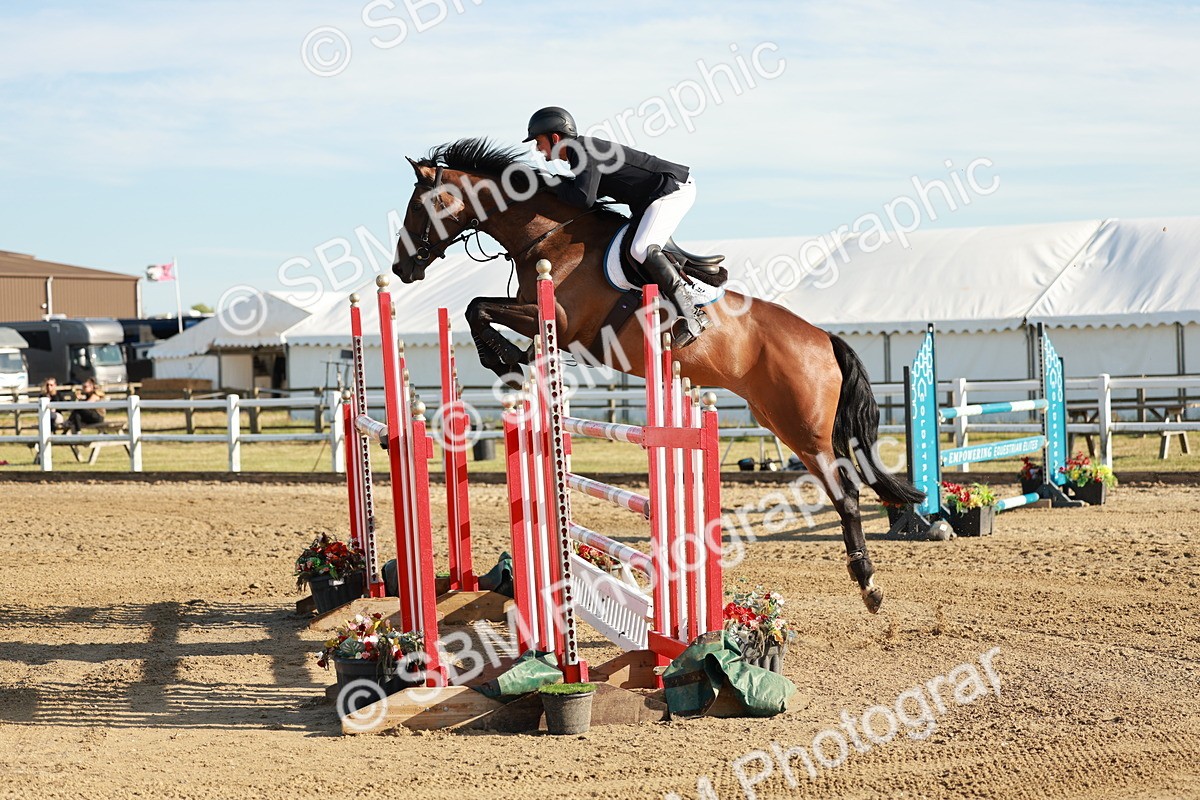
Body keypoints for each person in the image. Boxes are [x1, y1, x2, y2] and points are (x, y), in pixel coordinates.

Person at [524, 106, 704, 347]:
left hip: (672, 190)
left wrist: (545, 181)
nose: (538, 148)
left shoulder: (583, 150)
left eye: (539, 141)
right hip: (652, 198)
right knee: (633, 248)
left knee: (641, 249)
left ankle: (692, 314)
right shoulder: (580, 152)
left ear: (555, 138)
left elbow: (582, 199)